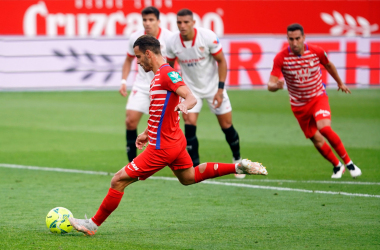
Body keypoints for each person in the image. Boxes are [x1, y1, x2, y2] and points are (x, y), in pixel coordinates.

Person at [69, 35, 268, 236]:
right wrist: (147, 132)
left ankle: (92, 224)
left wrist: (186, 104)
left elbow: (189, 95)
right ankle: (238, 166)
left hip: (162, 148)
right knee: (189, 177)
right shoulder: (158, 77)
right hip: (173, 142)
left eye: (138, 57)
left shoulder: (166, 74)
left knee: (118, 180)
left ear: (148, 54)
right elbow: (159, 111)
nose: (137, 61)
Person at [267, 23, 362, 179]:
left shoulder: (316, 51)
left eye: (298, 38)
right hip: (299, 106)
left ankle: (349, 163)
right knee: (316, 139)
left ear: (304, 37)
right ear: (287, 39)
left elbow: (328, 65)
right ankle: (337, 166)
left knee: (324, 128)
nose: (295, 43)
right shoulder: (281, 58)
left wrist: (340, 82)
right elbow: (270, 85)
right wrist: (276, 86)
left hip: (318, 97)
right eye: (291, 39)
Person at [166, 9, 245, 178]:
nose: (182, 26)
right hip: (191, 90)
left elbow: (222, 61)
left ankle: (237, 159)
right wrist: (176, 89)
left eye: (186, 22)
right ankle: (194, 166)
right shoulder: (172, 42)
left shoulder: (207, 36)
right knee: (189, 122)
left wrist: (220, 89)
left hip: (213, 88)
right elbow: (170, 68)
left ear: (193, 23)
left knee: (226, 125)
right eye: (179, 22)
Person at [120, 6, 172, 162]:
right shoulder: (136, 38)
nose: (147, 23)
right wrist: (123, 81)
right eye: (144, 20)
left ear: (158, 21)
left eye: (151, 20)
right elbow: (129, 60)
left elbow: (177, 62)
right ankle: (131, 164)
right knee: (130, 121)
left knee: (164, 128)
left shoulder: (169, 38)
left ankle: (166, 159)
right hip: (142, 86)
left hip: (162, 87)